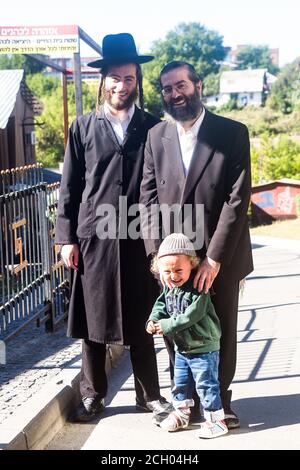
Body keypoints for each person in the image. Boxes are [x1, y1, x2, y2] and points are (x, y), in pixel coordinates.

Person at [55, 33, 170, 422]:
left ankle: (149, 395)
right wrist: (65, 238)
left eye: (131, 78)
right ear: (103, 80)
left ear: (138, 81)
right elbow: (69, 186)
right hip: (93, 239)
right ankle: (93, 396)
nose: (123, 86)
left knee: (143, 317)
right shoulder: (83, 128)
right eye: (116, 78)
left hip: (141, 238)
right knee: (93, 321)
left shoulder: (155, 128)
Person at [140, 60, 253, 429]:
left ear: (198, 85)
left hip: (222, 255)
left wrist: (214, 259)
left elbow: (238, 199)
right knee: (176, 331)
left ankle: (221, 402)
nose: (175, 94)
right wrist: (160, 257)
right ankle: (184, 404)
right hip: (172, 260)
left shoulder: (232, 132)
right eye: (168, 89)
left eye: (181, 85)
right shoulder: (156, 136)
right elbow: (147, 199)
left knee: (221, 331)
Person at [146, 233, 228, 439]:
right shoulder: (169, 289)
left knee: (206, 384)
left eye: (178, 270)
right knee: (180, 382)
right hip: (182, 348)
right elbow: (161, 305)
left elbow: (191, 316)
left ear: (191, 265)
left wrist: (164, 325)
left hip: (203, 347)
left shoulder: (199, 288)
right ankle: (181, 413)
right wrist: (153, 319)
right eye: (167, 271)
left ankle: (216, 420)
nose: (173, 276)